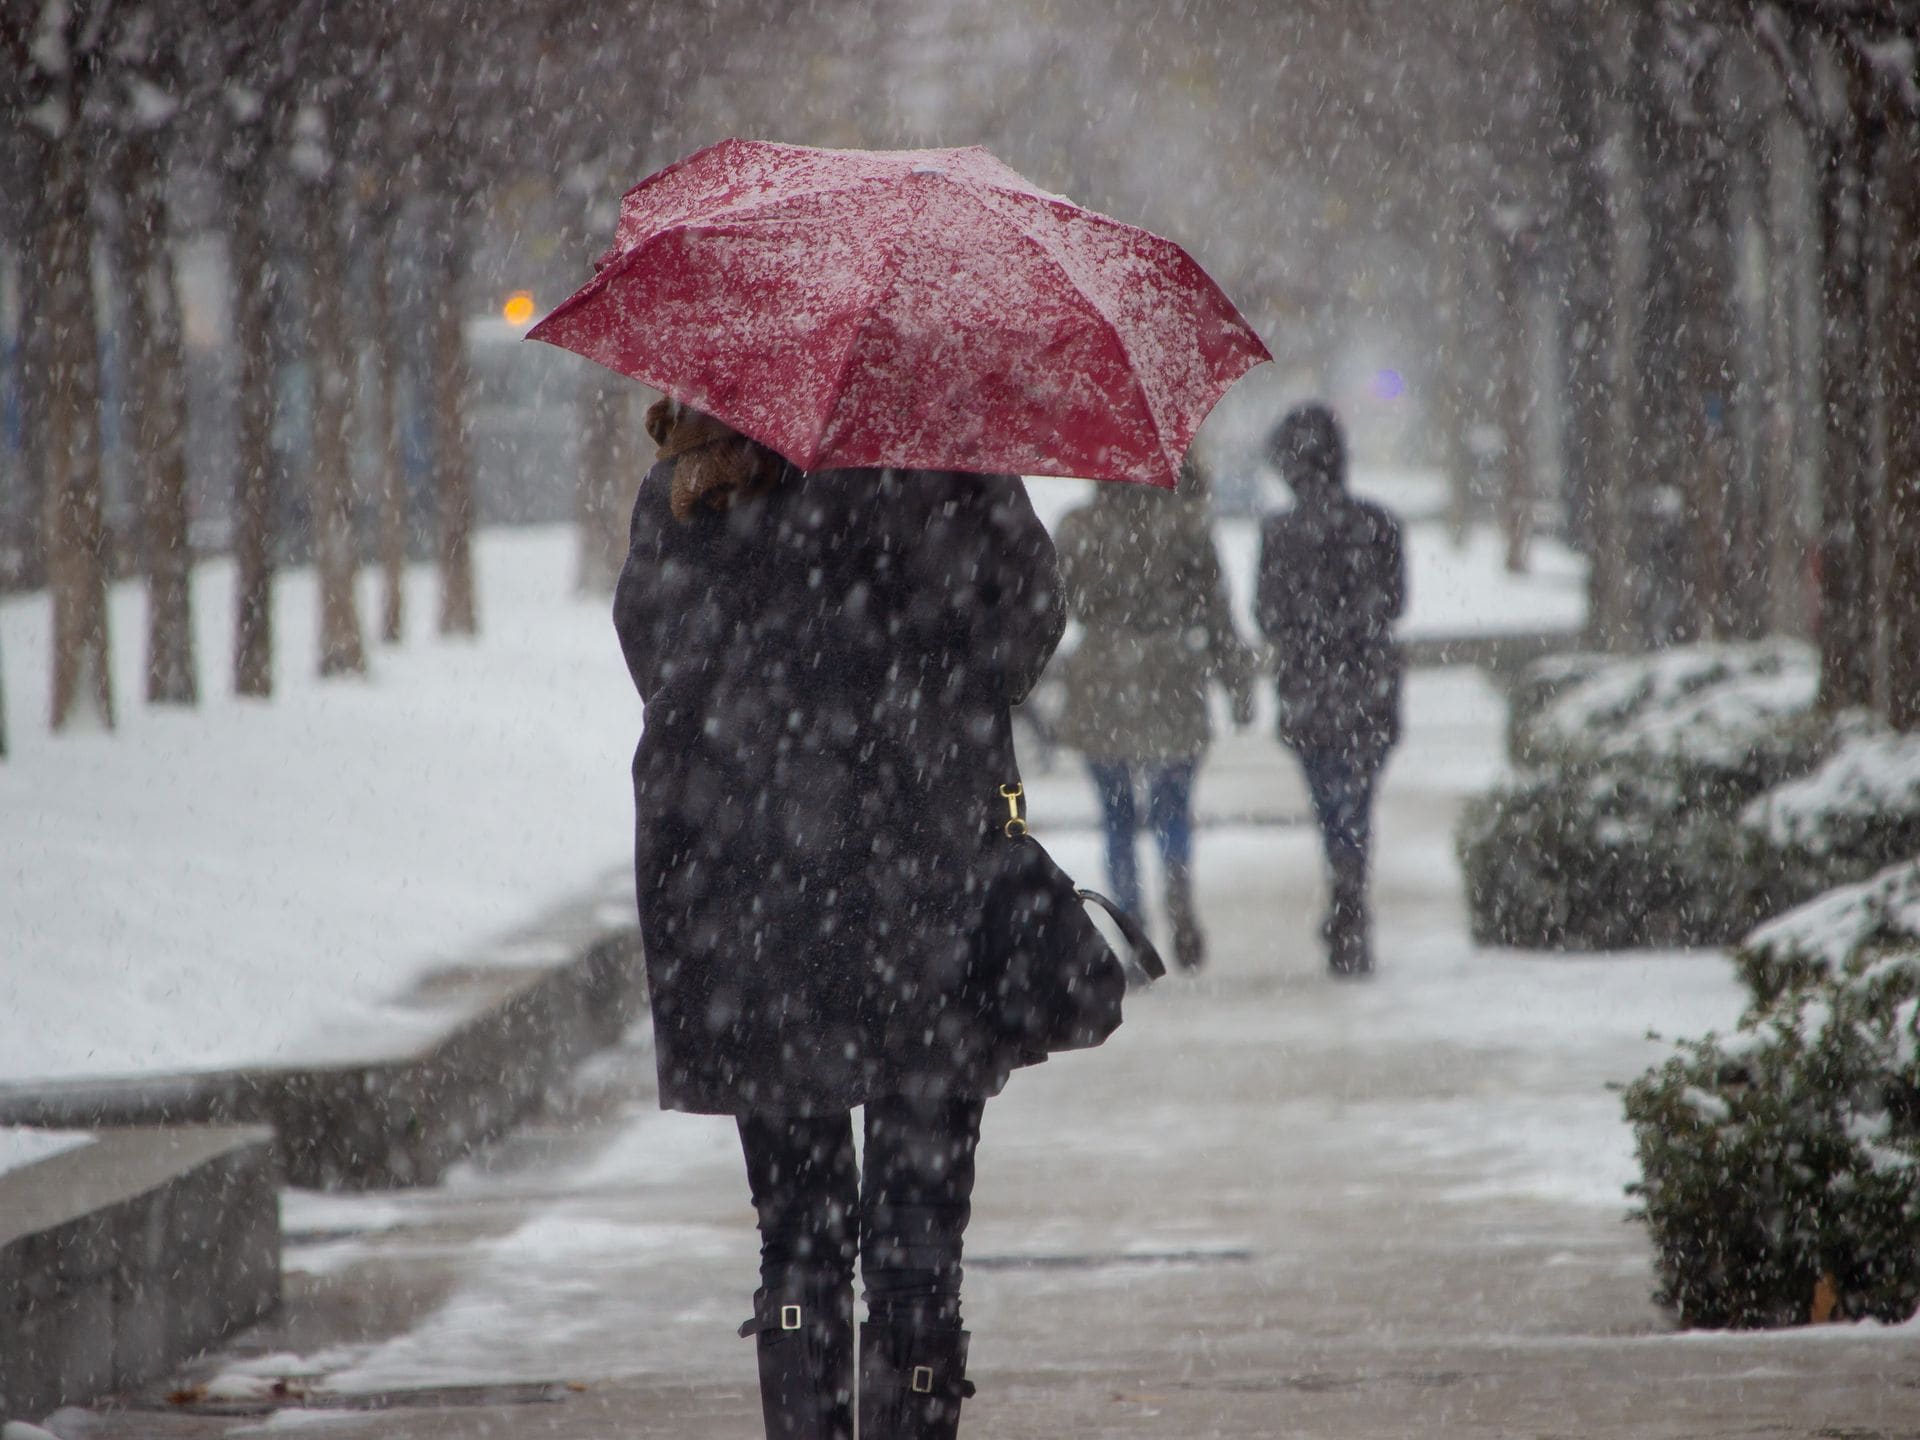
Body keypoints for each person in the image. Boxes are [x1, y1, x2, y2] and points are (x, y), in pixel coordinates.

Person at [612, 400, 1085, 1440]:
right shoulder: (951, 467)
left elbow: (660, 671)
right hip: (929, 889)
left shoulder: (691, 483)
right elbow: (1025, 636)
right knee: (918, 1242)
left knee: (798, 1236)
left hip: (750, 901)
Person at [1053, 460, 1258, 971]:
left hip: (1101, 678)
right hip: (1174, 674)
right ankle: (1177, 885)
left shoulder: (1078, 529)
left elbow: (1055, 607)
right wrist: (1237, 683)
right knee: (1173, 806)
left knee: (1116, 817)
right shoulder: (1186, 526)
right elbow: (1217, 611)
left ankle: (1132, 927)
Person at [1256, 403, 1405, 978]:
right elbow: (1395, 603)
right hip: (1369, 685)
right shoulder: (1380, 522)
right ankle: (1350, 894)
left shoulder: (1279, 533)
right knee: (1358, 801)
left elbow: (1268, 615)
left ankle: (1345, 891)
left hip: (1309, 688)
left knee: (1329, 803)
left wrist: (1308, 627)